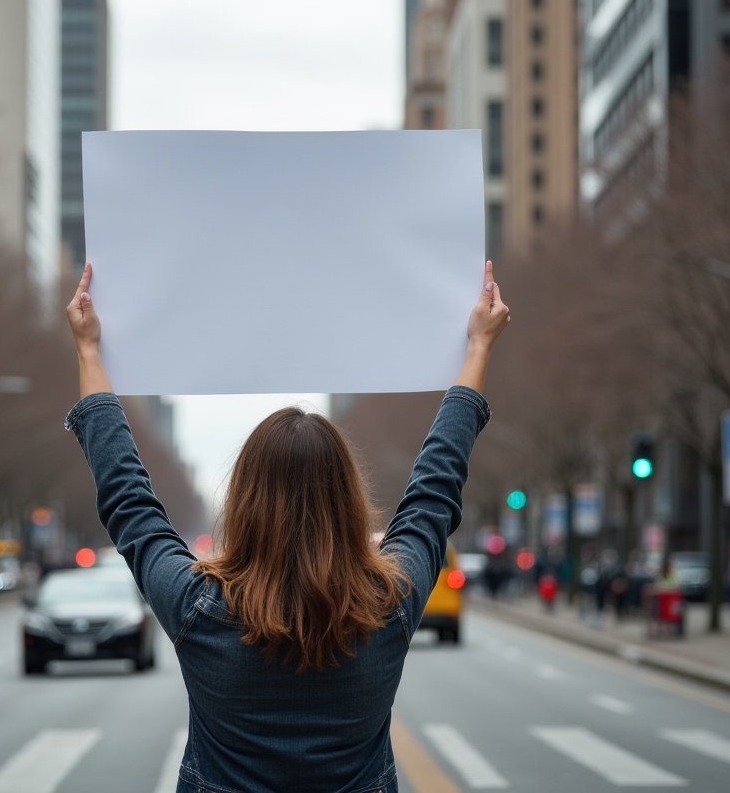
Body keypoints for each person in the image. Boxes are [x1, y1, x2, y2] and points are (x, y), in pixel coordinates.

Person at [65, 260, 510, 793]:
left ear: (244, 502)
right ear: (347, 501)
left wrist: (89, 352)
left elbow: (128, 500)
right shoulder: (387, 604)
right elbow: (434, 491)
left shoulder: (197, 609)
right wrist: (478, 349)